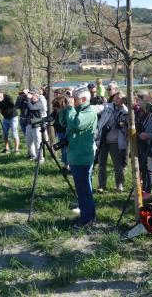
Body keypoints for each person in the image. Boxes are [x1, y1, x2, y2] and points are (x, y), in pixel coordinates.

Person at [59, 86, 98, 226]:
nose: (73, 101)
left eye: (75, 99)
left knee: (84, 190)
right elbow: (64, 123)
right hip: (76, 155)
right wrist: (64, 108)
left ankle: (87, 219)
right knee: (82, 190)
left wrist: (70, 109)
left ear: (84, 99)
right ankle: (87, 215)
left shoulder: (88, 111)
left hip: (82, 156)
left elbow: (75, 124)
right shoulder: (78, 110)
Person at [95, 91, 128, 192]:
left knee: (118, 165)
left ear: (124, 100)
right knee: (101, 164)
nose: (117, 99)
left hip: (116, 141)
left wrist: (122, 125)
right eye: (116, 97)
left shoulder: (125, 112)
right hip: (103, 139)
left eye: (120, 98)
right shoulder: (107, 107)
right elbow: (97, 108)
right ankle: (101, 185)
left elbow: (126, 129)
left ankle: (119, 185)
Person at [135, 90, 152, 199]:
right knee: (142, 166)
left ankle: (148, 189)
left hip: (147, 142)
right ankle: (142, 188)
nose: (136, 101)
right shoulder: (140, 111)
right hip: (140, 141)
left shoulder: (148, 112)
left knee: (148, 167)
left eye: (138, 99)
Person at [0, 89, 20, 154]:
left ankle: (16, 150)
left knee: (14, 133)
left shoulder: (8, 97)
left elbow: (11, 105)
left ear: (1, 93)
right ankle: (7, 149)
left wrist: (1, 101)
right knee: (4, 134)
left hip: (13, 117)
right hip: (5, 118)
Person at [25, 89, 47, 162]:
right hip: (29, 125)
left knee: (37, 143)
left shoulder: (39, 103)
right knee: (29, 143)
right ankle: (34, 156)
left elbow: (31, 108)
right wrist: (24, 97)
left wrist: (28, 99)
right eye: (30, 95)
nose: (31, 97)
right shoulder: (29, 102)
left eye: (33, 95)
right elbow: (19, 105)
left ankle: (40, 158)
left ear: (37, 96)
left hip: (36, 125)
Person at [51, 96, 70, 169]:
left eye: (57, 108)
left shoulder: (68, 110)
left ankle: (69, 165)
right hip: (60, 130)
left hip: (66, 130)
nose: (56, 109)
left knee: (67, 149)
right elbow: (52, 116)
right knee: (63, 148)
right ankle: (66, 165)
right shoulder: (58, 109)